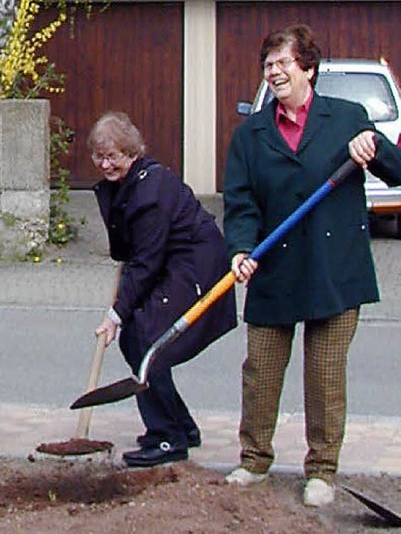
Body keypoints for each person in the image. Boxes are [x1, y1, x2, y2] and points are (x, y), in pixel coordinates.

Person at [223, 24, 401, 506]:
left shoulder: (347, 118)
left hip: (333, 269)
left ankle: (321, 470)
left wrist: (374, 148)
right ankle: (254, 461)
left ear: (309, 68)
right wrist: (240, 250)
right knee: (260, 370)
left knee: (324, 375)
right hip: (273, 268)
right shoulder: (251, 135)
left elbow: (396, 168)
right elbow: (240, 205)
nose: (275, 72)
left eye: (283, 63)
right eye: (268, 65)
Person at [89, 112, 237, 468]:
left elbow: (147, 261)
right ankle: (181, 427)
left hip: (196, 264)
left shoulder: (150, 191)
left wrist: (116, 314)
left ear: (132, 152)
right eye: (99, 156)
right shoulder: (123, 186)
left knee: (145, 337)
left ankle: (168, 438)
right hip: (168, 262)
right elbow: (130, 250)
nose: (106, 164)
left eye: (114, 156)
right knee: (137, 340)